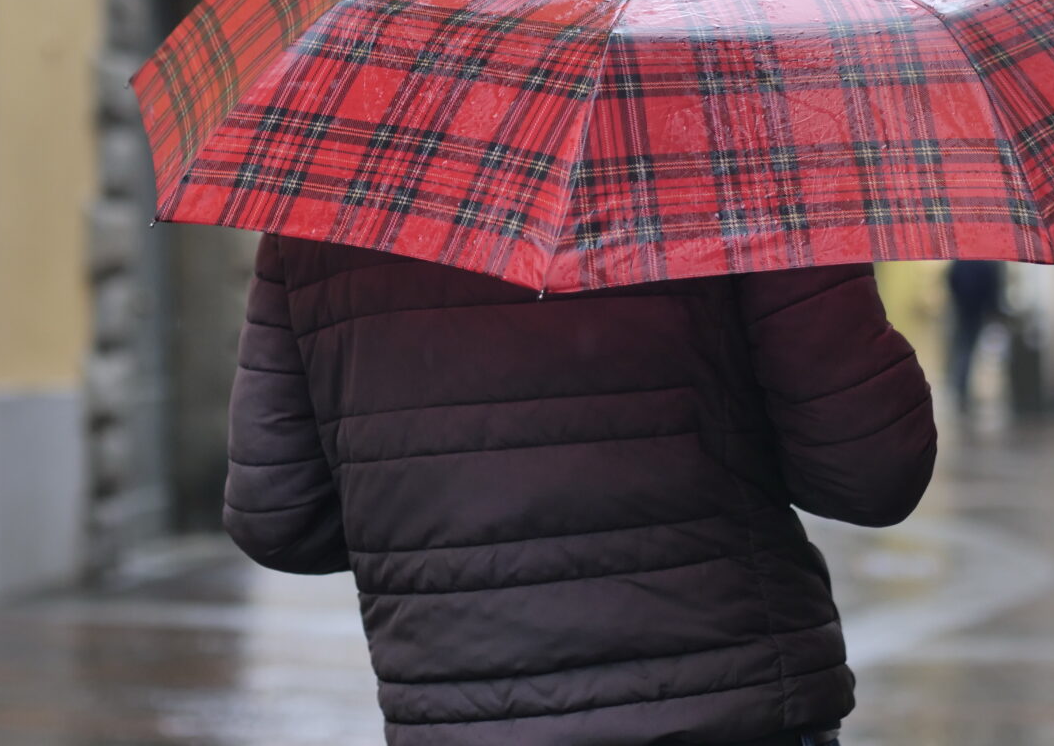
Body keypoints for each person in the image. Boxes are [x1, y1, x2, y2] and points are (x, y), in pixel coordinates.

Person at [224, 234, 938, 746]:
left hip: (458, 706)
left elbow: (278, 515)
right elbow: (871, 476)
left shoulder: (329, 209)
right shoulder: (737, 156)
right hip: (730, 698)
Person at [943, 259, 1005, 415]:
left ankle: (960, 389)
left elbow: (950, 280)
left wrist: (957, 301)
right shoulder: (987, 262)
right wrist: (993, 309)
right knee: (968, 350)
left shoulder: (960, 261)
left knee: (962, 349)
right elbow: (993, 287)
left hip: (962, 309)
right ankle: (962, 390)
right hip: (976, 311)